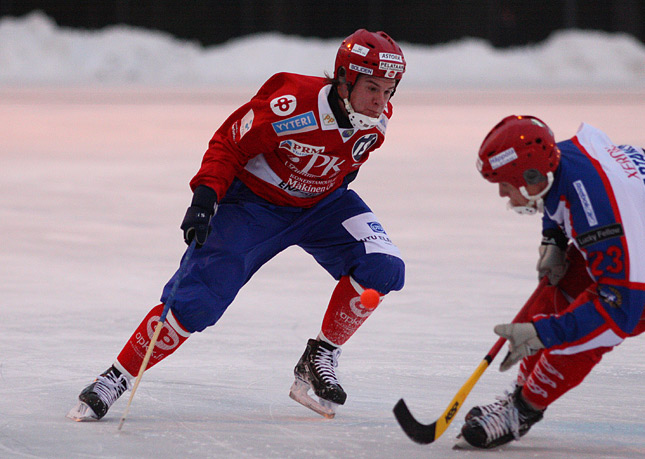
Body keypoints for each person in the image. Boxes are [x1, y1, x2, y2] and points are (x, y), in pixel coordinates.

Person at [66, 29, 406, 422]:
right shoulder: (291, 103)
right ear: (344, 80)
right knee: (197, 303)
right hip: (254, 208)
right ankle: (115, 377)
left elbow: (348, 166)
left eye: (390, 91)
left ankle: (321, 355)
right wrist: (206, 196)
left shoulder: (376, 121)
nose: (381, 102)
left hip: (320, 205)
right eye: (372, 88)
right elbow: (229, 143)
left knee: (384, 265)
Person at [458, 115, 645, 448]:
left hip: (630, 245)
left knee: (586, 328)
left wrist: (546, 333)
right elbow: (560, 187)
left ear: (532, 177)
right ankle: (521, 394)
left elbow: (619, 314)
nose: (503, 193)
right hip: (628, 225)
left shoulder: (599, 215)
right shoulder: (560, 157)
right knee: (561, 289)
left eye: (506, 183)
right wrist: (554, 237)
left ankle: (523, 410)